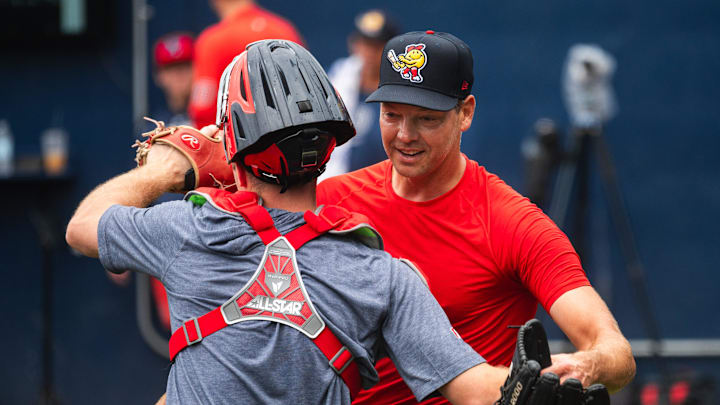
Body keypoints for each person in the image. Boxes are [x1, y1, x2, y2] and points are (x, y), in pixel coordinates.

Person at [66, 40, 515, 404]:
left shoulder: (188, 231)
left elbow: (83, 226)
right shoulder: (384, 276)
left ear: (233, 147)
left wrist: (162, 170)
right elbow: (477, 391)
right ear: (327, 146)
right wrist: (559, 372)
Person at [317, 30, 636, 404]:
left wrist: (584, 367)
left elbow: (616, 353)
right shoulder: (330, 200)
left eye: (427, 119)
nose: (405, 134)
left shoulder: (513, 224)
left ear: (465, 113)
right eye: (392, 115)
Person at [188, 0, 304, 128]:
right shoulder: (284, 30)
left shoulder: (212, 41)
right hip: (291, 138)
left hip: (238, 142)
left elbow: (203, 112)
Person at [321, 9, 399, 180]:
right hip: (333, 188)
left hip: (382, 189)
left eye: (377, 46)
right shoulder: (331, 83)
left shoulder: (403, 95)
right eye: (364, 43)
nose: (369, 52)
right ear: (353, 43)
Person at [150, 32, 195, 127]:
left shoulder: (214, 117)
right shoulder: (153, 127)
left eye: (185, 66)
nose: (178, 74)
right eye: (170, 68)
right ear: (158, 76)